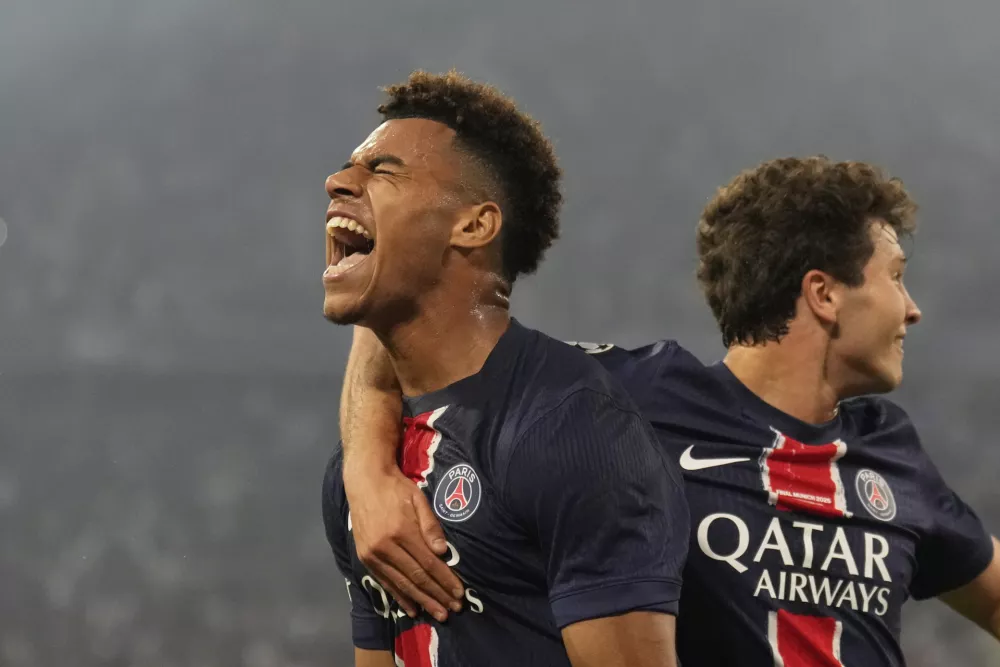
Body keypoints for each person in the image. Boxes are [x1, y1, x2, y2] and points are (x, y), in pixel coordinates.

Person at [339, 156, 1000, 665]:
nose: (912, 307)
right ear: (824, 294)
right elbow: (409, 320)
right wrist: (368, 474)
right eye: (896, 275)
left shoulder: (894, 452)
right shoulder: (623, 400)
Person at [320, 70, 689, 667]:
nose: (337, 182)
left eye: (382, 171)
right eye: (350, 168)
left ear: (474, 225)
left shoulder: (570, 427)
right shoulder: (361, 472)